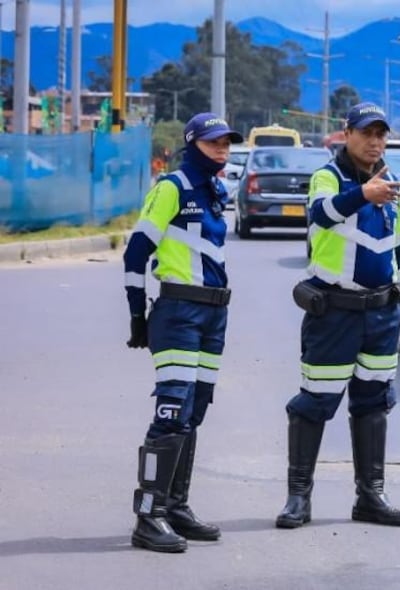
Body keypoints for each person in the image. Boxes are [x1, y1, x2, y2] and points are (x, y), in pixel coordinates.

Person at [275, 102, 400, 530]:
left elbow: (397, 250)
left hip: (382, 314)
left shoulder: (391, 185)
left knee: (374, 402)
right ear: (347, 134)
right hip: (334, 313)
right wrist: (364, 194)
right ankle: (298, 498)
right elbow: (322, 213)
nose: (375, 142)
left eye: (381, 134)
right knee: (315, 402)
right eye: (366, 133)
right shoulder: (328, 177)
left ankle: (371, 496)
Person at [123, 112, 243, 553]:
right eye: (213, 142)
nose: (222, 149)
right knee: (172, 410)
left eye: (226, 142)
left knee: (195, 409)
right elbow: (135, 254)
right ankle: (148, 516)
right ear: (192, 144)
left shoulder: (217, 190)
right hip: (179, 312)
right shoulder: (171, 187)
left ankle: (175, 507)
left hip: (214, 314)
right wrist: (137, 314)